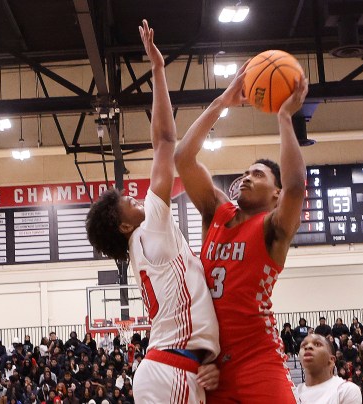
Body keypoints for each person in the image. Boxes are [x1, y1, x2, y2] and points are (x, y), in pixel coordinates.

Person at [85, 20, 220, 403]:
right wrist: (158, 70)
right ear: (126, 224)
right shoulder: (152, 231)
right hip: (172, 369)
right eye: (129, 201)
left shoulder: (141, 244)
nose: (137, 198)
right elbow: (164, 141)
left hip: (167, 367)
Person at [174, 55, 308, 403]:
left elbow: (296, 186)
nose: (247, 177)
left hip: (258, 359)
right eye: (246, 172)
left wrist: (284, 117)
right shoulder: (217, 211)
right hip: (212, 366)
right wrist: (221, 103)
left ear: (276, 195)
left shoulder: (273, 228)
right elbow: (183, 158)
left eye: (258, 174)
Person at [295, 334, 362, 403]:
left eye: (317, 344)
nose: (308, 347)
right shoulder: (294, 393)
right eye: (303, 345)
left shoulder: (346, 390)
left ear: (331, 360)